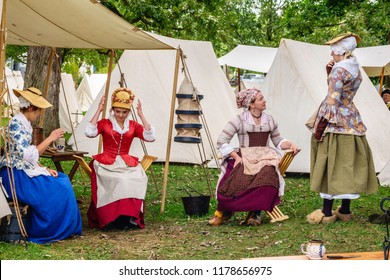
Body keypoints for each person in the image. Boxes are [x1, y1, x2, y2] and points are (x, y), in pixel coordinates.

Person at [306, 32, 378, 224]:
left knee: (330, 163)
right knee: (348, 164)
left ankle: (327, 212)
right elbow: (345, 90)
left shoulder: (339, 69)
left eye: (333, 50)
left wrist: (320, 127)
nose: (331, 53)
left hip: (335, 121)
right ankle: (345, 210)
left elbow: (333, 99)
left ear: (342, 51)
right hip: (352, 119)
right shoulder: (355, 68)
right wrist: (329, 74)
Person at [0, 87, 82, 244]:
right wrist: (51, 138)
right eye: (38, 111)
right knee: (58, 187)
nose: (39, 114)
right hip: (13, 175)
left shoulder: (25, 124)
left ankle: (64, 227)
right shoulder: (16, 124)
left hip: (22, 170)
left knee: (62, 179)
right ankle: (45, 229)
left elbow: (29, 158)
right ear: (31, 108)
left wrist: (43, 169)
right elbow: (27, 154)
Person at [208, 88, 300, 226]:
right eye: (260, 99)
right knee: (235, 177)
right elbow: (222, 141)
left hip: (265, 158)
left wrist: (291, 144)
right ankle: (225, 211)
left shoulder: (270, 120)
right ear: (251, 104)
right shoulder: (239, 120)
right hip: (245, 156)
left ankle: (255, 212)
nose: (264, 101)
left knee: (267, 175)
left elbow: (278, 141)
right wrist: (237, 157)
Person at [85, 88, 155, 230]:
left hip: (126, 162)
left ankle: (128, 217)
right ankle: (111, 218)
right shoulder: (105, 123)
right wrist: (98, 109)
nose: (120, 115)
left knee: (137, 179)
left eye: (124, 112)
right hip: (107, 162)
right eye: (117, 111)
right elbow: (89, 132)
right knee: (120, 181)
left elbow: (150, 137)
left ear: (129, 112)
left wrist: (141, 115)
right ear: (113, 110)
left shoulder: (133, 126)